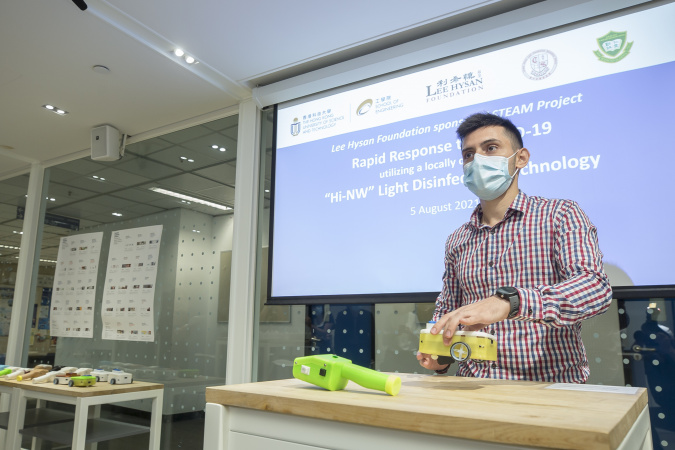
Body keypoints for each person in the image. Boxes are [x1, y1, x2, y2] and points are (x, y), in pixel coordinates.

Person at [416, 112, 612, 382]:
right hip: (471, 386)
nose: (478, 160)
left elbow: (595, 288)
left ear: (520, 158)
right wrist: (439, 354)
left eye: (491, 148)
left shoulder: (560, 214)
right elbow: (448, 308)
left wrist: (512, 302)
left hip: (548, 387)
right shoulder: (457, 239)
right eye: (469, 155)